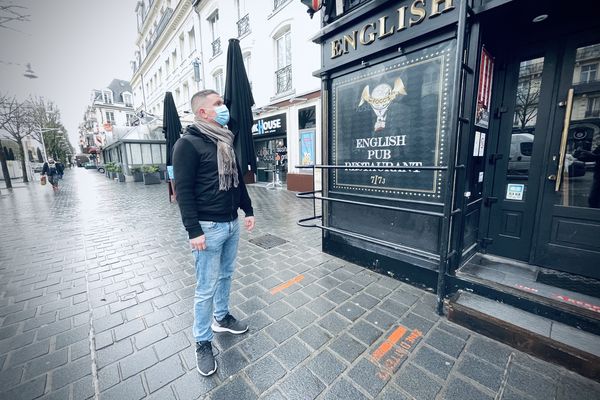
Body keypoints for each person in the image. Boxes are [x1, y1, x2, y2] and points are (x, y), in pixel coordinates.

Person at [172, 89, 255, 377]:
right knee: (205, 287)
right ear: (202, 113)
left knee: (226, 275)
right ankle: (203, 341)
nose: (224, 107)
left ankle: (221, 318)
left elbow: (236, 181)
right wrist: (193, 230)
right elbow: (182, 191)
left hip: (230, 223)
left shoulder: (225, 140)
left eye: (223, 103)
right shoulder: (187, 144)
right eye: (217, 104)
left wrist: (248, 209)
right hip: (207, 227)